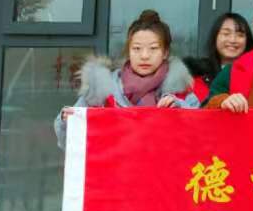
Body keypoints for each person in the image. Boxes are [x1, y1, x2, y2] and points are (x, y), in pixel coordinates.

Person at [54, 9, 199, 147]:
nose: (144, 56)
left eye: (153, 48)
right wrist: (66, 121)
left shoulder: (181, 91)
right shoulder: (100, 90)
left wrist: (180, 109)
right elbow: (69, 142)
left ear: (165, 52)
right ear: (128, 51)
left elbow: (200, 134)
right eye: (137, 48)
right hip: (113, 165)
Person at [184, 11, 253, 103]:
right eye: (226, 34)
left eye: (240, 35)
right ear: (215, 37)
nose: (232, 40)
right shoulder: (195, 77)